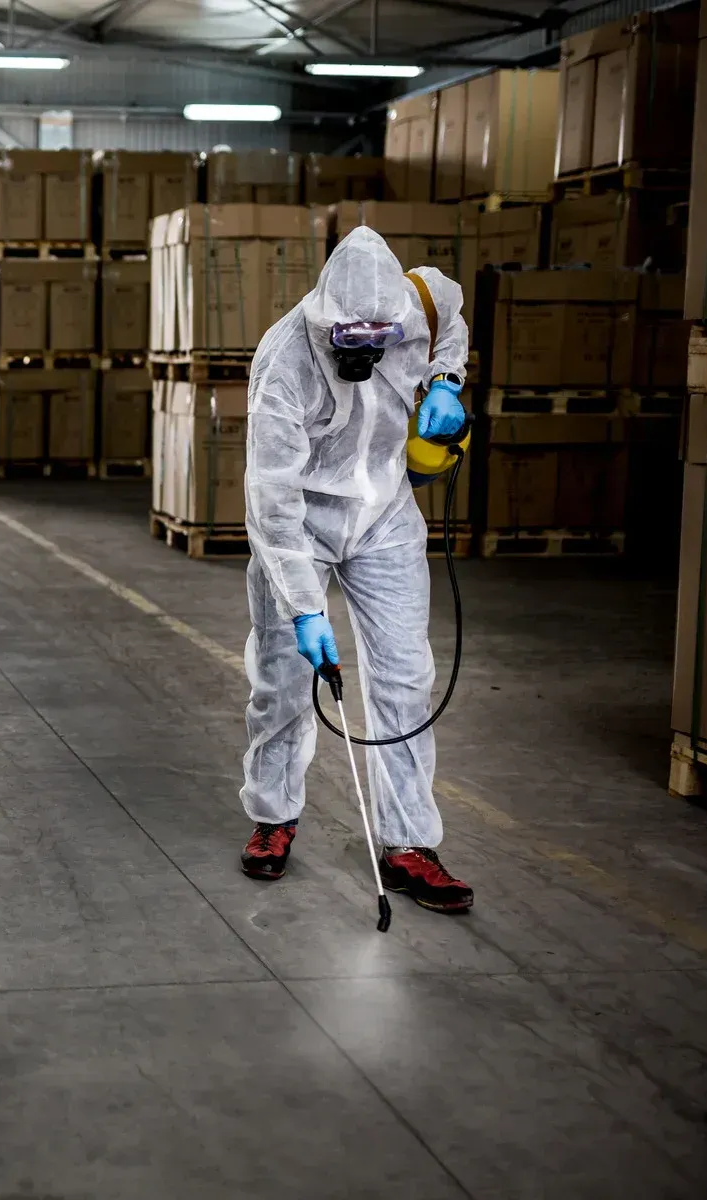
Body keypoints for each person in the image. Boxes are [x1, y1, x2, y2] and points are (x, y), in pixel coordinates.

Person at [236, 225, 474, 914]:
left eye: (381, 336)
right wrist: (304, 607)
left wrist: (445, 380)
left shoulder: (416, 306)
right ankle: (273, 817)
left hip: (385, 517)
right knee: (283, 680)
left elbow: (450, 313)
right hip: (301, 526)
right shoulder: (285, 359)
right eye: (353, 339)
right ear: (325, 318)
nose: (367, 348)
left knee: (404, 678)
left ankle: (407, 845)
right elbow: (271, 501)